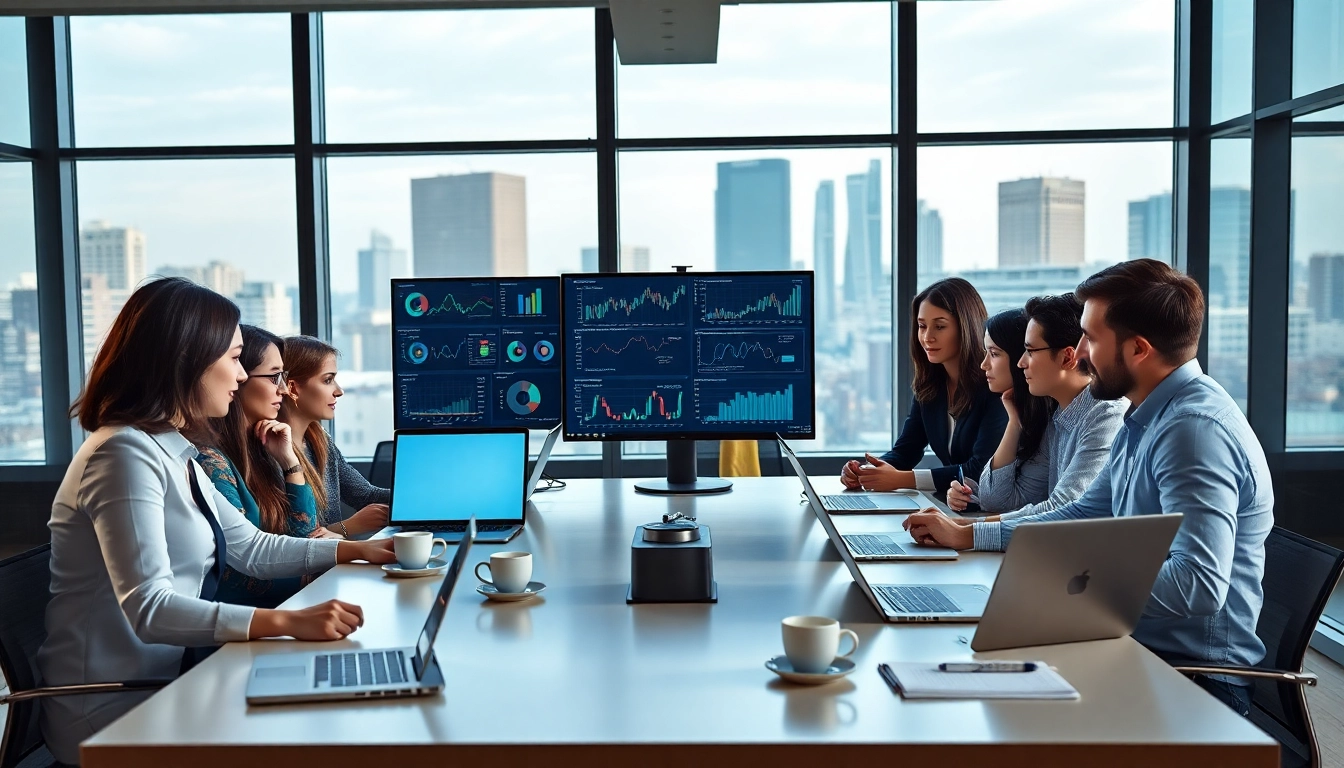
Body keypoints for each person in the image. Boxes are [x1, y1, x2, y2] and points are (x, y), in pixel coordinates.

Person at [38, 278, 397, 765]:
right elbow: (150, 607)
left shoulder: (171, 450)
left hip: (181, 678)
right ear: (187, 360)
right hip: (119, 708)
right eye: (232, 359)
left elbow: (250, 546)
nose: (240, 377)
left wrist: (355, 549)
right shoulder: (121, 454)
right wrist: (285, 622)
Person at [905, 259, 1273, 717]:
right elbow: (1080, 513)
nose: (1077, 352)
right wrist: (972, 536)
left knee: (995, 713)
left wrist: (1059, 588)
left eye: (1091, 339)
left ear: (1138, 349)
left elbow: (1198, 584)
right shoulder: (1145, 418)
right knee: (963, 678)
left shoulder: (1192, 431)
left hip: (1192, 680)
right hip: (1131, 646)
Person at [924, 294, 1128, 540]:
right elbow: (1000, 499)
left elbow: (1064, 509)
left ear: (1067, 357)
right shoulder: (1058, 415)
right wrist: (1015, 421)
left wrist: (965, 531)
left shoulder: (1106, 416)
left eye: (1030, 351)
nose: (1021, 363)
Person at [198, 325, 325, 609]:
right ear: (239, 379)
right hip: (242, 627)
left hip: (278, 614)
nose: (283, 388)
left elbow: (303, 535)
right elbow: (243, 571)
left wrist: (290, 464)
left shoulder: (263, 448)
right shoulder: (209, 461)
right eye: (273, 377)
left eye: (284, 376)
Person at [843, 277, 1008, 493]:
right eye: (922, 326)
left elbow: (979, 470)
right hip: (955, 505)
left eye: (939, 326)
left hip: (988, 511)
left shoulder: (994, 385)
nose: (927, 337)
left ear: (966, 327)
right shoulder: (931, 387)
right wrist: (866, 471)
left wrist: (902, 480)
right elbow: (905, 451)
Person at [279, 335, 390, 538]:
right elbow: (284, 544)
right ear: (293, 388)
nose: (339, 391)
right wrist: (347, 527)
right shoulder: (272, 450)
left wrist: (415, 497)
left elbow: (365, 496)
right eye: (328, 380)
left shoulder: (319, 440)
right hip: (314, 567)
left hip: (331, 565)